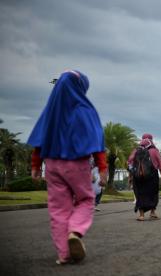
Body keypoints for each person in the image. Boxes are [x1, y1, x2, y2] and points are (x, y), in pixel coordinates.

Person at [28, 70, 108, 264]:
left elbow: (40, 138)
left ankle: (63, 254)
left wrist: (36, 165)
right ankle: (75, 231)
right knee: (86, 199)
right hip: (77, 163)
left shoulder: (50, 110)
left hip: (52, 164)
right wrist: (102, 168)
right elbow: (96, 141)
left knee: (58, 208)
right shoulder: (85, 109)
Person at [128, 134, 161, 221]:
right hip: (152, 177)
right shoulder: (154, 150)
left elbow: (130, 164)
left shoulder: (136, 150)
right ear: (151, 139)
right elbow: (160, 166)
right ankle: (152, 212)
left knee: (140, 194)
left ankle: (141, 215)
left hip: (138, 177)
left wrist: (130, 178)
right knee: (153, 194)